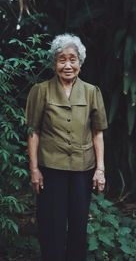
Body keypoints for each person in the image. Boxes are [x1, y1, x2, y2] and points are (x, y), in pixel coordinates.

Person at [25, 33, 108, 261]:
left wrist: (100, 170)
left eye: (73, 59)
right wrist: (34, 170)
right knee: (52, 227)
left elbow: (98, 132)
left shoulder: (92, 92)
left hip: (83, 170)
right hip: (51, 170)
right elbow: (33, 131)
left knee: (79, 227)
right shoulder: (40, 90)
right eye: (62, 59)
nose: (68, 65)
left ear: (80, 62)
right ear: (55, 63)